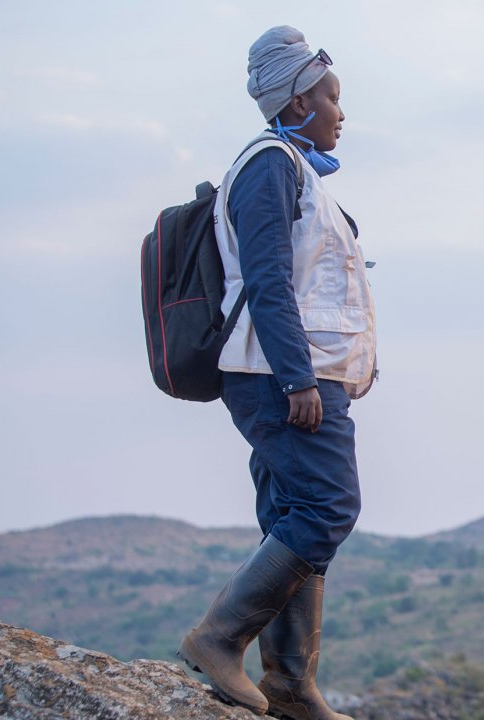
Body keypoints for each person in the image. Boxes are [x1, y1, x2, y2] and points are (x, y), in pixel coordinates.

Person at [176, 25, 376, 720]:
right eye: (331, 96)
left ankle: (290, 685)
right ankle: (219, 636)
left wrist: (351, 367)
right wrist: (298, 380)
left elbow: (318, 287)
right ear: (297, 106)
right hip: (278, 376)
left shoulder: (295, 168)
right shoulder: (269, 165)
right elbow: (266, 280)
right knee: (327, 507)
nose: (340, 111)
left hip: (303, 374)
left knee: (294, 513)